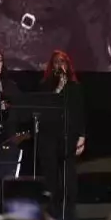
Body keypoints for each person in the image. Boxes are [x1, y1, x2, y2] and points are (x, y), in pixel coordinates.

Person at [37, 50, 86, 203]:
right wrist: (58, 88)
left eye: (62, 61)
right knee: (51, 179)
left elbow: (80, 112)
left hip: (69, 136)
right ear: (51, 66)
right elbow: (45, 108)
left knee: (69, 179)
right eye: (56, 62)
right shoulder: (44, 86)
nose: (59, 64)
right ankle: (51, 215)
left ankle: (70, 216)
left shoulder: (75, 87)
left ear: (67, 65)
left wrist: (82, 136)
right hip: (49, 137)